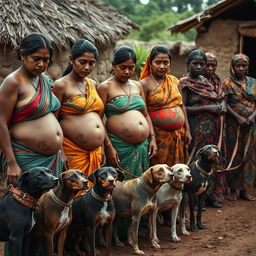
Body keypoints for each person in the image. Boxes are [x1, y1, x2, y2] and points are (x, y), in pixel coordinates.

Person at [0, 32, 64, 186]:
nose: (41, 64)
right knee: (26, 207)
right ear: (22, 55)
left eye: (46, 60)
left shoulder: (44, 79)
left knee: (49, 208)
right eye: (36, 59)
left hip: (53, 159)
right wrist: (11, 163)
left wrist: (61, 150)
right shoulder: (13, 82)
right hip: (26, 158)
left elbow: (51, 116)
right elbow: (1, 123)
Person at [97, 46, 157, 178]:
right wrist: (108, 147)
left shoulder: (137, 85)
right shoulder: (105, 87)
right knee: (120, 186)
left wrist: (152, 138)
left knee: (140, 187)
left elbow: (145, 114)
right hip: (119, 146)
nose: (127, 72)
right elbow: (98, 120)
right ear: (113, 65)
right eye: (122, 67)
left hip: (142, 146)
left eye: (131, 68)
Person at [53, 39, 105, 185]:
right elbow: (53, 121)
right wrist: (60, 152)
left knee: (91, 198)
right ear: (71, 60)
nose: (87, 67)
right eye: (82, 62)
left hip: (94, 152)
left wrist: (102, 147)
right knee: (74, 195)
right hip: (72, 151)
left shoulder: (93, 84)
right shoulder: (61, 85)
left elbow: (99, 119)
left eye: (92, 63)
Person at [180, 49, 226, 208]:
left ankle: (209, 196)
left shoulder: (205, 81)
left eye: (202, 64)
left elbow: (218, 98)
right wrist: (207, 109)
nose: (199, 67)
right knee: (197, 164)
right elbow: (183, 108)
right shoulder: (184, 83)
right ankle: (194, 197)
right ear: (188, 64)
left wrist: (219, 107)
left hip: (213, 128)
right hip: (196, 129)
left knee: (212, 162)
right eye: (196, 63)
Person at [139, 45, 191, 166]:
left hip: (178, 135)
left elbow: (181, 106)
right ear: (150, 63)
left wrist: (187, 130)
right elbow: (143, 112)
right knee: (160, 172)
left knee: (177, 172)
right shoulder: (144, 84)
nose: (162, 66)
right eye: (158, 62)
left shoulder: (174, 81)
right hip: (158, 137)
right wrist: (151, 137)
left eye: (166, 62)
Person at [222, 53, 256, 201]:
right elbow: (225, 104)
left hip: (251, 125)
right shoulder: (227, 83)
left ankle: (246, 190)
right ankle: (233, 189)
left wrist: (251, 117)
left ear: (248, 67)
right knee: (234, 154)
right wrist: (238, 117)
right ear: (233, 67)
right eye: (238, 65)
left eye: (244, 65)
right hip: (233, 125)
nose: (241, 68)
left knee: (249, 156)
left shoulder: (254, 82)